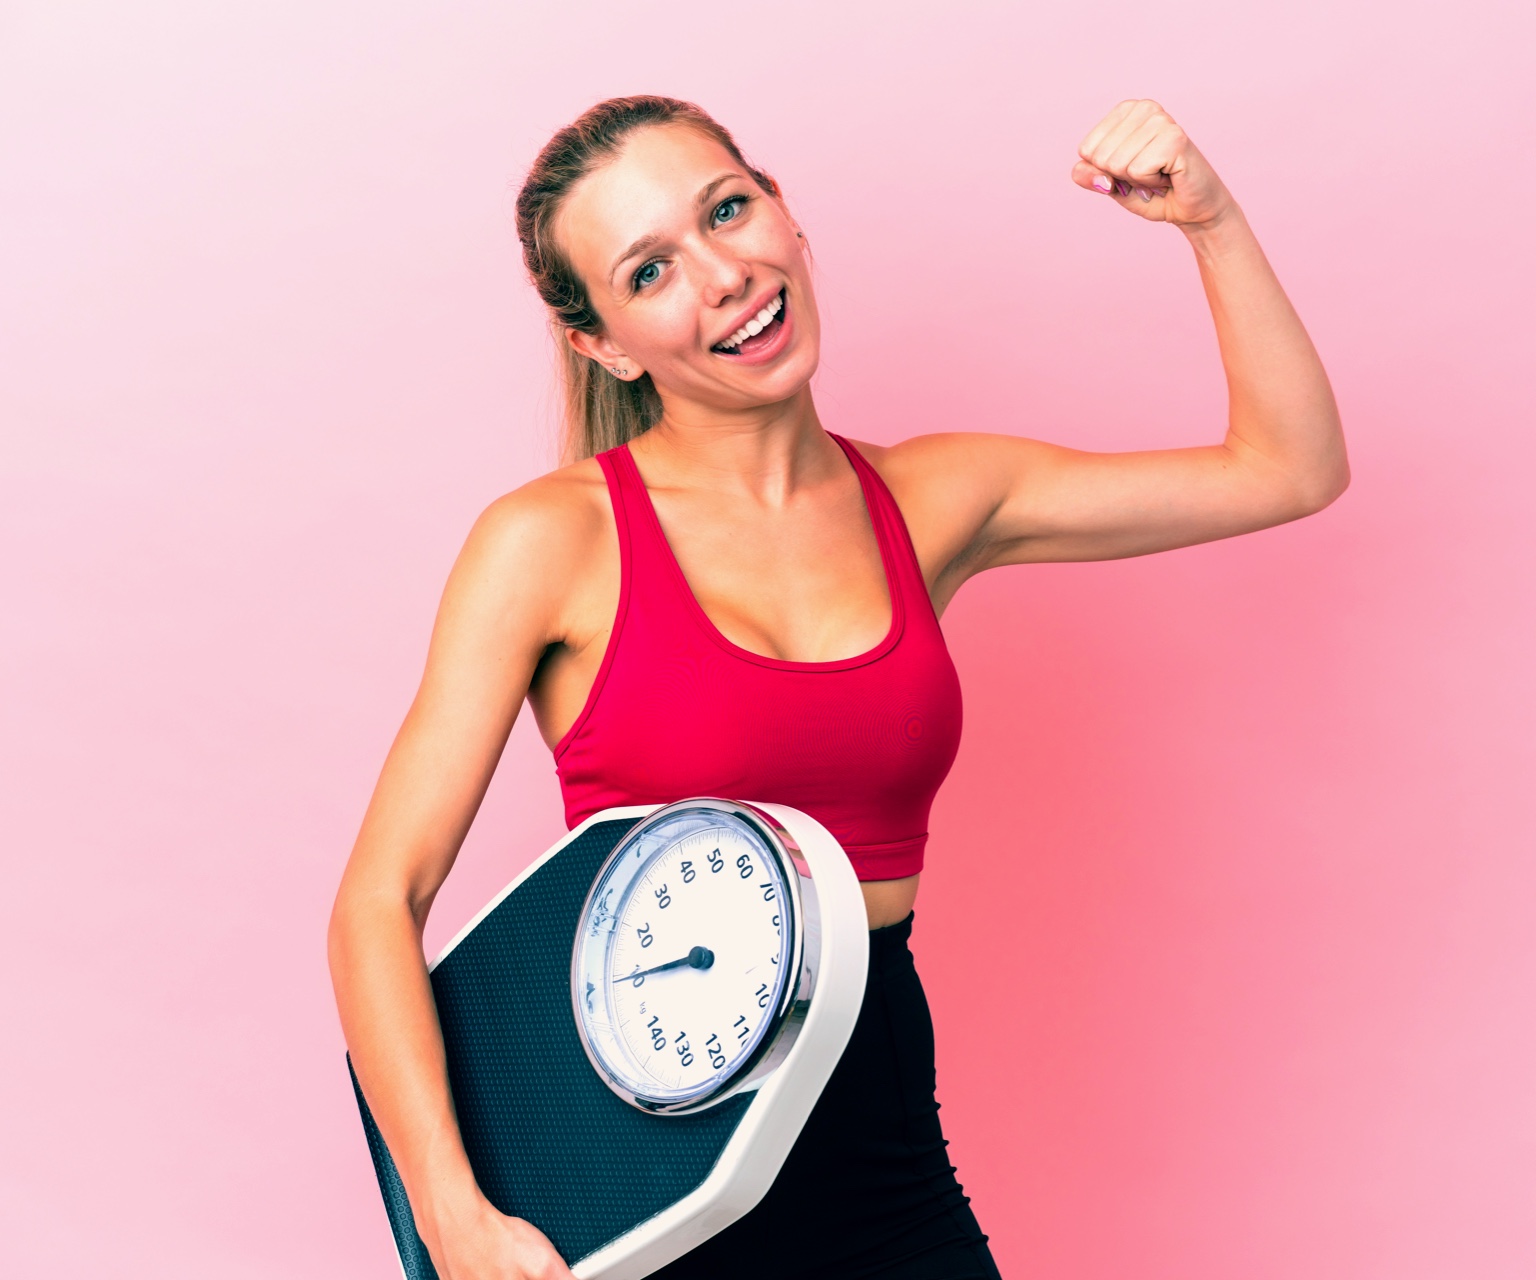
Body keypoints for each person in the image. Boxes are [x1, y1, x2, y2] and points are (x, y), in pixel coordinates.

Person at [327, 94, 1348, 1279]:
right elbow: (376, 904)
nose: (722, 275)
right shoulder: (551, 542)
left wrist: (1210, 221)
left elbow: (1290, 466)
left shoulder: (935, 498)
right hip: (637, 1175)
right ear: (602, 341)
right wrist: (455, 1218)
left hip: (883, 1161)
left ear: (784, 211)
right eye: (651, 270)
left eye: (727, 210)